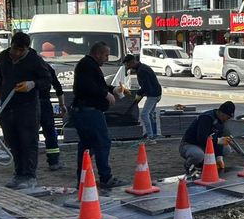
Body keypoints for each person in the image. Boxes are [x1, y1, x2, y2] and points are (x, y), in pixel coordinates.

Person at [0, 32, 51, 189]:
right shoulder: (4, 56)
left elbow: (47, 80)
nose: (17, 53)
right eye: (15, 49)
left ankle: (30, 176)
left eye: (21, 50)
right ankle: (18, 174)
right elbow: (1, 74)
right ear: (10, 46)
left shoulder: (35, 60)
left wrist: (32, 84)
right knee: (13, 141)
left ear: (27, 48)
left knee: (28, 141)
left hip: (27, 107)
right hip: (7, 105)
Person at [69, 41, 129, 193]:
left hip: (84, 111)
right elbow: (87, 86)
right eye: (106, 55)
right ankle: (106, 178)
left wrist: (113, 89)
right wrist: (105, 94)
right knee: (102, 143)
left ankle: (83, 179)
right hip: (89, 111)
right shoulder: (87, 65)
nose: (107, 58)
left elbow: (96, 85)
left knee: (87, 146)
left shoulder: (89, 65)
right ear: (97, 54)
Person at [180, 101, 235, 176]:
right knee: (198, 155)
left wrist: (219, 157)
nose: (227, 120)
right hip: (190, 144)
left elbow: (218, 140)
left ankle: (204, 164)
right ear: (222, 113)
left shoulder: (221, 121)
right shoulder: (206, 118)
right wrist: (218, 141)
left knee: (226, 149)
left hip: (205, 145)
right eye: (227, 117)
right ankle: (188, 165)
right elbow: (201, 138)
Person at [121, 54, 162, 144]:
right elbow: (147, 86)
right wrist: (139, 96)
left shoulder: (142, 71)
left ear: (133, 62)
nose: (128, 67)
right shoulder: (143, 67)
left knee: (144, 114)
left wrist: (137, 94)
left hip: (153, 94)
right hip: (156, 92)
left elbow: (146, 87)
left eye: (128, 65)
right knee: (150, 114)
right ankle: (152, 134)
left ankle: (151, 137)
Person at [39, 63, 66, 171]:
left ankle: (26, 164)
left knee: (28, 133)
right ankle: (54, 162)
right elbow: (58, 87)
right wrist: (62, 105)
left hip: (28, 104)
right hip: (44, 103)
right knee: (50, 132)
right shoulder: (46, 67)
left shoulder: (24, 66)